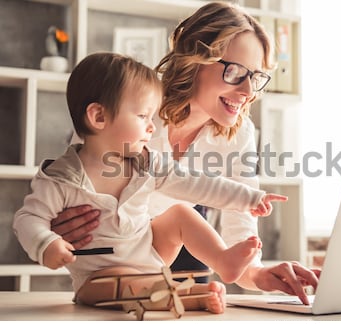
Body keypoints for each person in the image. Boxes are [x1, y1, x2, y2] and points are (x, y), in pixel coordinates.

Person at [50, 1, 320, 305]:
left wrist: (258, 275)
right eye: (235, 72)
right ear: (196, 60)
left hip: (173, 256)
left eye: (255, 78)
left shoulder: (238, 134)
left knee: (184, 220)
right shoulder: (130, 108)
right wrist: (55, 228)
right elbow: (66, 197)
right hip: (112, 261)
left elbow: (239, 230)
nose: (247, 93)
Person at [12, 52, 287, 314]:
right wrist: (46, 243)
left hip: (151, 256)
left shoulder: (147, 162)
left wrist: (250, 198)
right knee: (124, 284)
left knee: (181, 212)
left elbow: (198, 184)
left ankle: (222, 259)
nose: (152, 126)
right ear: (98, 117)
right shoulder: (62, 177)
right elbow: (28, 218)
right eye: (143, 117)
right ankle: (187, 298)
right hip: (98, 280)